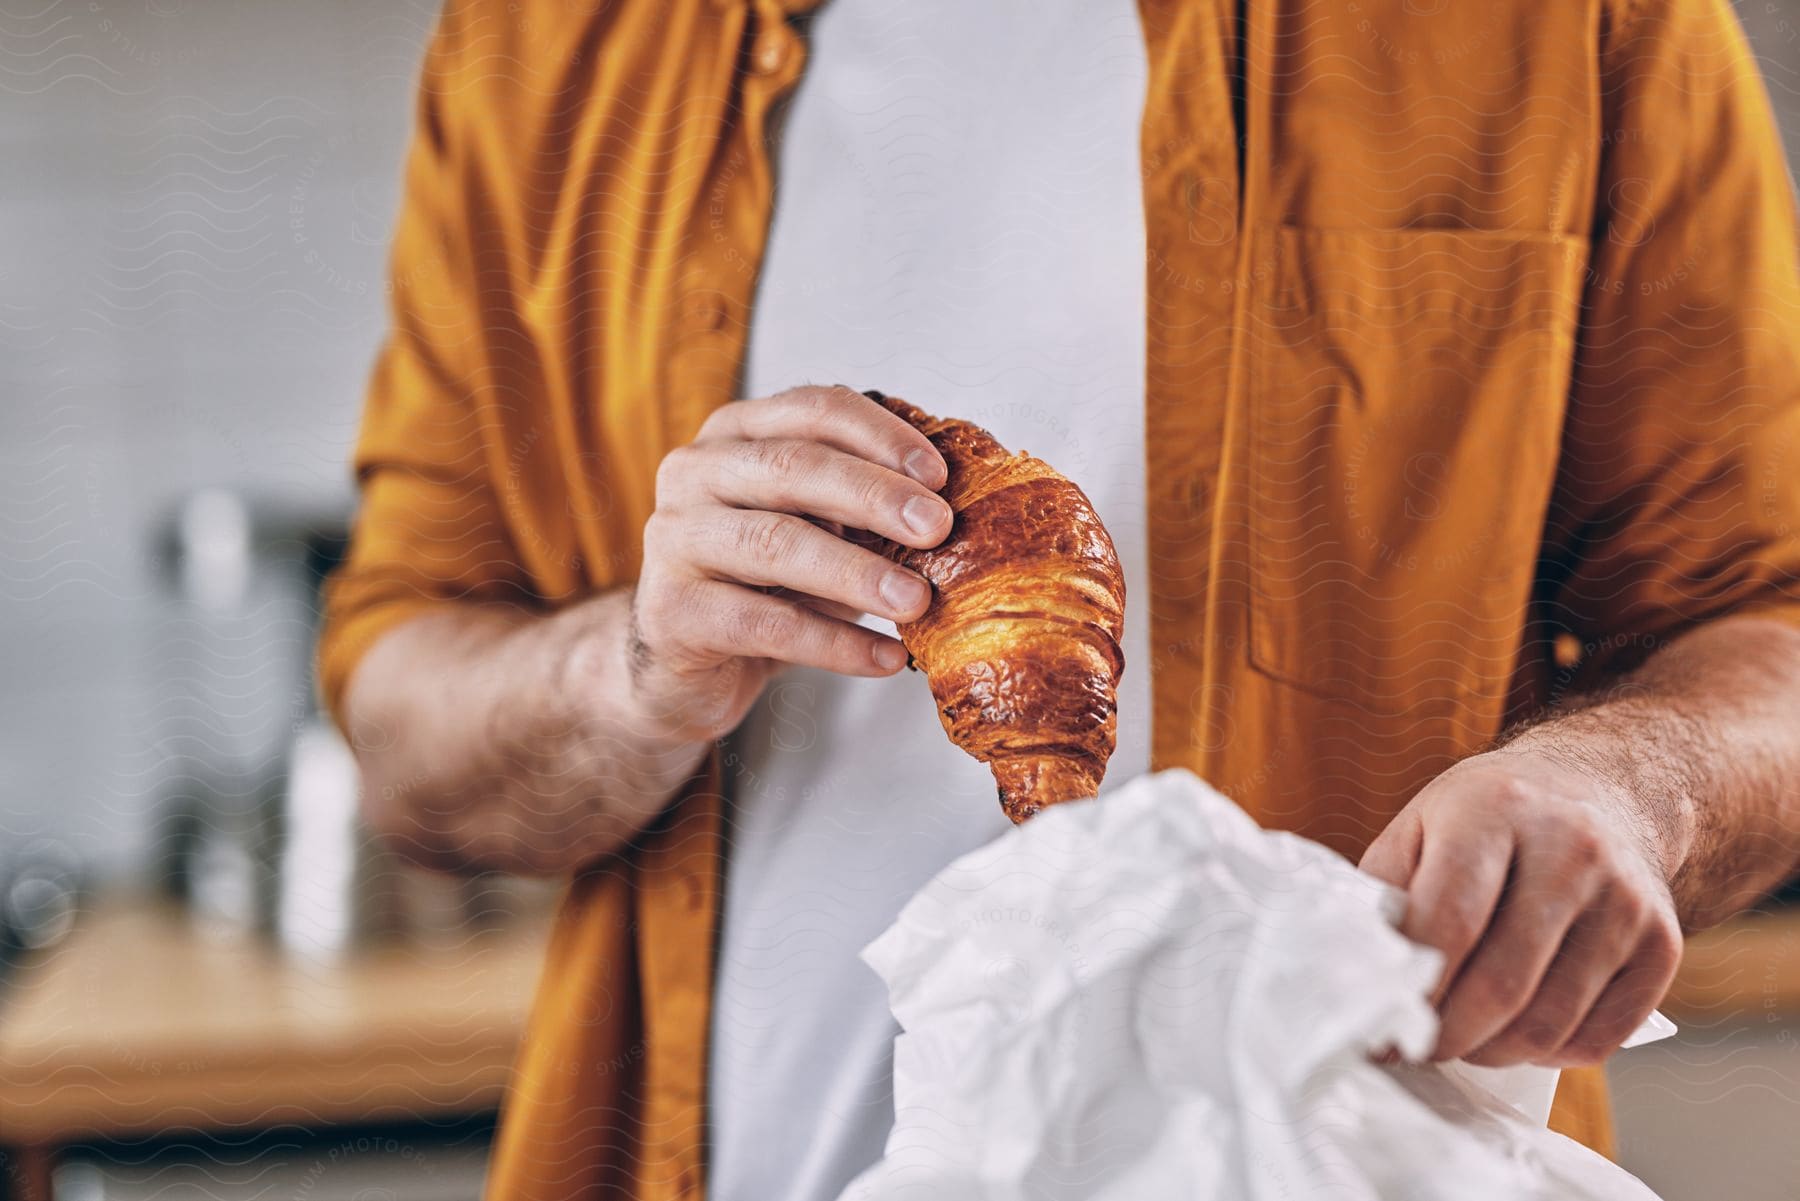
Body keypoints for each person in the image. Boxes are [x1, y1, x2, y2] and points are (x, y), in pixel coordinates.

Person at [317, 1, 1800, 1198]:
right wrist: (636, 669)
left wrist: (1624, 787)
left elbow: (1770, 620)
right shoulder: (544, 49)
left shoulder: (1569, 25)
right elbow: (406, 734)